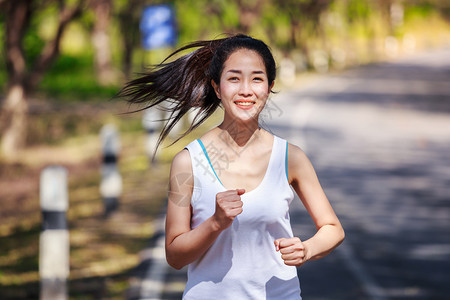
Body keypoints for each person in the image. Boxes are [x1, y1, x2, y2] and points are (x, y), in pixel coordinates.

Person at [120, 34, 345, 299]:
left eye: (257, 78)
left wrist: (306, 249)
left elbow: (333, 229)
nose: (246, 90)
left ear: (270, 86)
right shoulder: (187, 163)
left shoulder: (290, 158)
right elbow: (175, 255)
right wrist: (215, 222)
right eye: (234, 78)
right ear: (217, 87)